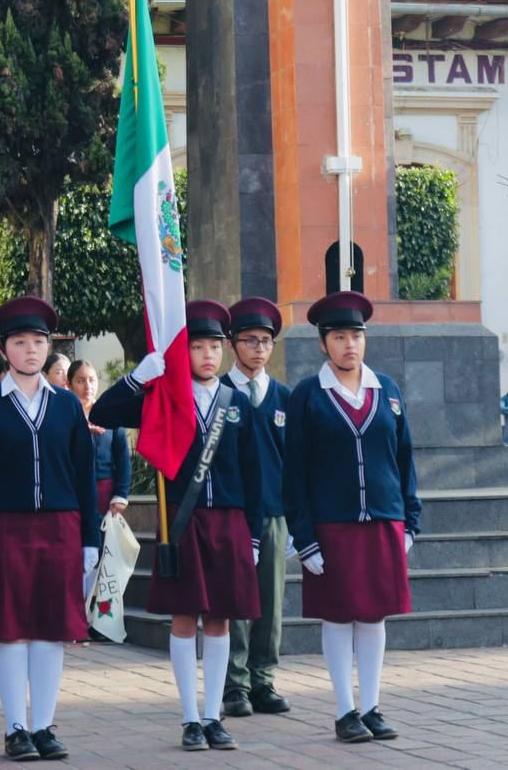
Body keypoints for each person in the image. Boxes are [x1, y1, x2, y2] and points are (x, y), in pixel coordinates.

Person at [91, 300, 261, 753]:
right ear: (183, 352)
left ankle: (214, 715)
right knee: (185, 619)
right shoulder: (164, 401)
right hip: (181, 525)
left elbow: (255, 475)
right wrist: (139, 377)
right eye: (198, 346)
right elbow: (105, 413)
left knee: (221, 620)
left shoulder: (237, 404)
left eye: (214, 347)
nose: (208, 355)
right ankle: (189, 717)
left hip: (227, 522)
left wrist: (256, 535)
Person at [0, 296, 97, 762]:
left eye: (39, 341)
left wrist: (90, 541)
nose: (32, 350)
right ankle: (15, 727)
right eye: (20, 342)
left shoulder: (67, 408)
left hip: (60, 527)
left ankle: (44, 725)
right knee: (11, 630)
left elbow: (83, 476)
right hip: (4, 528)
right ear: (4, 348)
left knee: (51, 629)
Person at [283, 291, 421, 744]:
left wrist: (410, 521)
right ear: (323, 343)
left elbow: (404, 459)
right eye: (339, 336)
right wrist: (304, 536)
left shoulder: (387, 390)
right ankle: (344, 711)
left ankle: (372, 706)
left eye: (356, 336)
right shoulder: (308, 395)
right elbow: (295, 471)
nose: (349, 345)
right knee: (339, 618)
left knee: (375, 616)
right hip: (332, 524)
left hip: (383, 520)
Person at [221, 297, 293, 719]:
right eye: (250, 340)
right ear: (233, 344)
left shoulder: (284, 397)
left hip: (272, 514)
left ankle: (263, 679)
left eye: (266, 341)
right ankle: (235, 684)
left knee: (271, 601)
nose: (259, 348)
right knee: (235, 602)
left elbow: (294, 463)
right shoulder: (220, 393)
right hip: (230, 514)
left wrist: (295, 522)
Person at [69, 360, 130, 518]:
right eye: (81, 381)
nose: (88, 387)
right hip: (72, 488)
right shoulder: (65, 417)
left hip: (104, 487)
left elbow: (123, 457)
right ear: (69, 385)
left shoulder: (109, 414)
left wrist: (121, 494)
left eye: (92, 380)